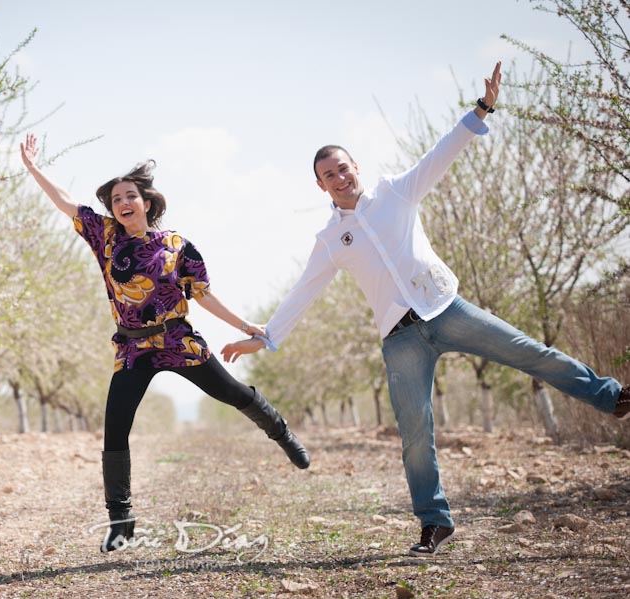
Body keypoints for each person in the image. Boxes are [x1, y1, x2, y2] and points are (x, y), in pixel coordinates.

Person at [222, 61, 630, 557]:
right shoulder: (330, 240)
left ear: (356, 167)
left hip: (445, 308)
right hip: (401, 337)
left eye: (343, 167)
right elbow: (303, 291)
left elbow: (441, 155)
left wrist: (481, 109)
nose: (339, 176)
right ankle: (435, 522)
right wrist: (264, 336)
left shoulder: (396, 191)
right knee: (416, 432)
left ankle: (612, 399)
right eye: (328, 175)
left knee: (531, 353)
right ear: (321, 186)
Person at [19, 138, 310, 553]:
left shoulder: (177, 246)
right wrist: (33, 168)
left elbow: (204, 295)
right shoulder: (104, 238)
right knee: (115, 428)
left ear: (146, 202)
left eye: (129, 196)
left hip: (177, 339)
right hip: (133, 349)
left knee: (230, 392)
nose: (122, 202)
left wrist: (247, 324)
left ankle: (279, 431)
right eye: (116, 198)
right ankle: (121, 522)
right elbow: (66, 202)